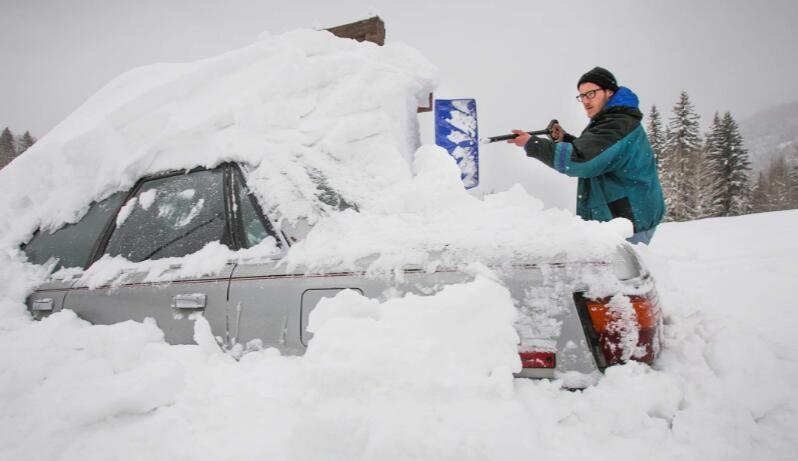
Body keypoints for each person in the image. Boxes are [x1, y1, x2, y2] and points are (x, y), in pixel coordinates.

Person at [509, 67, 664, 245]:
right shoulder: (614, 120)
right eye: (581, 96)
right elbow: (600, 156)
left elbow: (582, 160)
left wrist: (532, 144)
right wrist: (563, 139)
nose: (585, 101)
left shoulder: (617, 123)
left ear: (609, 92)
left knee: (622, 273)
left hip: (627, 221)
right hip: (625, 216)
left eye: (591, 94)